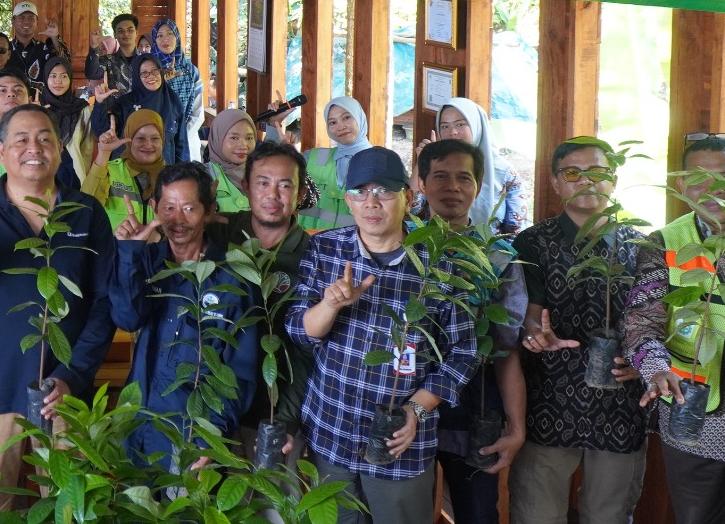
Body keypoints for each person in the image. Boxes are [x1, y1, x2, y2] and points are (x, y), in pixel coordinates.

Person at [0, 105, 116, 509]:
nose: (35, 148)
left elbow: (103, 305)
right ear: (1, 151)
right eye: (22, 140)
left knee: (71, 509)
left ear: (60, 149)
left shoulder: (85, 212)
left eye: (45, 139)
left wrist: (72, 376)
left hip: (65, 392)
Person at [286, 147, 477, 524]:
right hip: (331, 430)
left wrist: (416, 409)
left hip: (400, 443)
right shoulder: (326, 248)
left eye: (384, 191)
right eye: (360, 192)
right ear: (347, 200)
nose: (371, 202)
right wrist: (330, 305)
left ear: (408, 198)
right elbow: (299, 331)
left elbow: (463, 352)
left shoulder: (439, 263)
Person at [622, 135, 725, 524]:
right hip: (691, 415)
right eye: (698, 178)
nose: (714, 190)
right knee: (695, 517)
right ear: (682, 186)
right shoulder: (664, 243)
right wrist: (656, 370)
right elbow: (641, 323)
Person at [509, 137, 647, 524]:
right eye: (572, 173)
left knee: (609, 514)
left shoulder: (641, 243)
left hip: (620, 403)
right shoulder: (533, 242)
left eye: (598, 171)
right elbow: (529, 313)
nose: (586, 181)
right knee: (537, 513)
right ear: (555, 183)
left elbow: (654, 318)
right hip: (549, 400)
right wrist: (536, 336)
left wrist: (644, 360)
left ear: (614, 179)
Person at [111, 163, 259, 470]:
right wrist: (129, 254)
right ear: (154, 208)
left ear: (209, 211)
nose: (177, 219)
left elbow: (240, 370)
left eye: (189, 208)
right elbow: (127, 319)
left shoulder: (231, 279)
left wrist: (211, 431)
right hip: (138, 423)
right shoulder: (146, 261)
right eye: (169, 207)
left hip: (193, 433)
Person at [418, 140, 527, 524]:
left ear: (478, 187)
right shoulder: (401, 248)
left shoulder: (497, 256)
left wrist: (516, 427)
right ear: (421, 183)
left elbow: (506, 349)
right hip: (408, 410)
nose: (452, 187)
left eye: (464, 178)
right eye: (440, 176)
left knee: (478, 514)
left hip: (476, 411)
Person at [207, 141, 313, 464]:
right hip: (213, 403)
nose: (273, 195)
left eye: (285, 185)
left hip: (275, 412)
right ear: (245, 187)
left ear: (300, 193)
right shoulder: (218, 233)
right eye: (263, 183)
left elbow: (307, 348)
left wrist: (287, 419)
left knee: (274, 494)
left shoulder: (313, 255)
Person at [416, 99, 528, 234]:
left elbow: (517, 229)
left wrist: (494, 248)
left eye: (460, 124)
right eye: (445, 126)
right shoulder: (433, 164)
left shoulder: (505, 173)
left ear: (477, 125)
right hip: (435, 243)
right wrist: (422, 160)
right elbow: (412, 209)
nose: (453, 132)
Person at [296, 97, 372, 231]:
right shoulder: (314, 157)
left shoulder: (382, 161)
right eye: (332, 122)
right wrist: (282, 145)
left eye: (346, 117)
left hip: (356, 242)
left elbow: (407, 205)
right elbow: (274, 170)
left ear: (360, 117)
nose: (341, 127)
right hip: (310, 240)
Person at [95, 56, 188, 165]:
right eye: (144, 73)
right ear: (137, 77)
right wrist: (100, 102)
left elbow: (181, 144)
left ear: (161, 72)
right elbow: (101, 130)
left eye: (155, 70)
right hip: (127, 170)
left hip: (163, 170)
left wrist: (184, 171)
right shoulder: (125, 103)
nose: (151, 76)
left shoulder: (173, 102)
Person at [84, 110, 166, 229]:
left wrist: (158, 236)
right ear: (129, 140)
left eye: (155, 138)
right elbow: (86, 208)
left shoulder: (172, 177)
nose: (148, 144)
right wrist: (104, 153)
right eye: (140, 138)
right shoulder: (110, 170)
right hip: (116, 241)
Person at [142, 19, 203, 162]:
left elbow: (197, 112)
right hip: (154, 139)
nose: (165, 39)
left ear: (177, 37)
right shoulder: (147, 70)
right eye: (160, 35)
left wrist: (180, 135)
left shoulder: (191, 71)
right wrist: (161, 82)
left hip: (187, 139)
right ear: (154, 41)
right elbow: (142, 103)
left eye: (170, 34)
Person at [37, 57, 95, 181]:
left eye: (64, 76)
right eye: (53, 76)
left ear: (70, 78)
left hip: (73, 177)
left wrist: (84, 181)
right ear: (46, 78)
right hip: (41, 175)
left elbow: (87, 149)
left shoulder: (81, 109)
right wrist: (35, 116)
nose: (58, 81)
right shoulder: (37, 108)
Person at [206, 109, 258, 215]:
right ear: (217, 138)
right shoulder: (204, 176)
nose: (243, 145)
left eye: (249, 138)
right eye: (234, 138)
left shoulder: (259, 172)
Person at [7, 1, 68, 84]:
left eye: (31, 18)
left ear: (37, 22)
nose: (26, 22)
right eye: (21, 18)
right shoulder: (4, 50)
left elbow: (65, 65)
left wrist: (55, 38)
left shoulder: (45, 49)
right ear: (13, 21)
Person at [85, 13, 144, 95]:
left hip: (142, 103)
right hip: (116, 103)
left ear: (136, 33)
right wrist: (94, 47)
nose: (126, 34)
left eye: (130, 30)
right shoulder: (107, 60)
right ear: (115, 35)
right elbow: (92, 74)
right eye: (120, 31)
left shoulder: (145, 59)